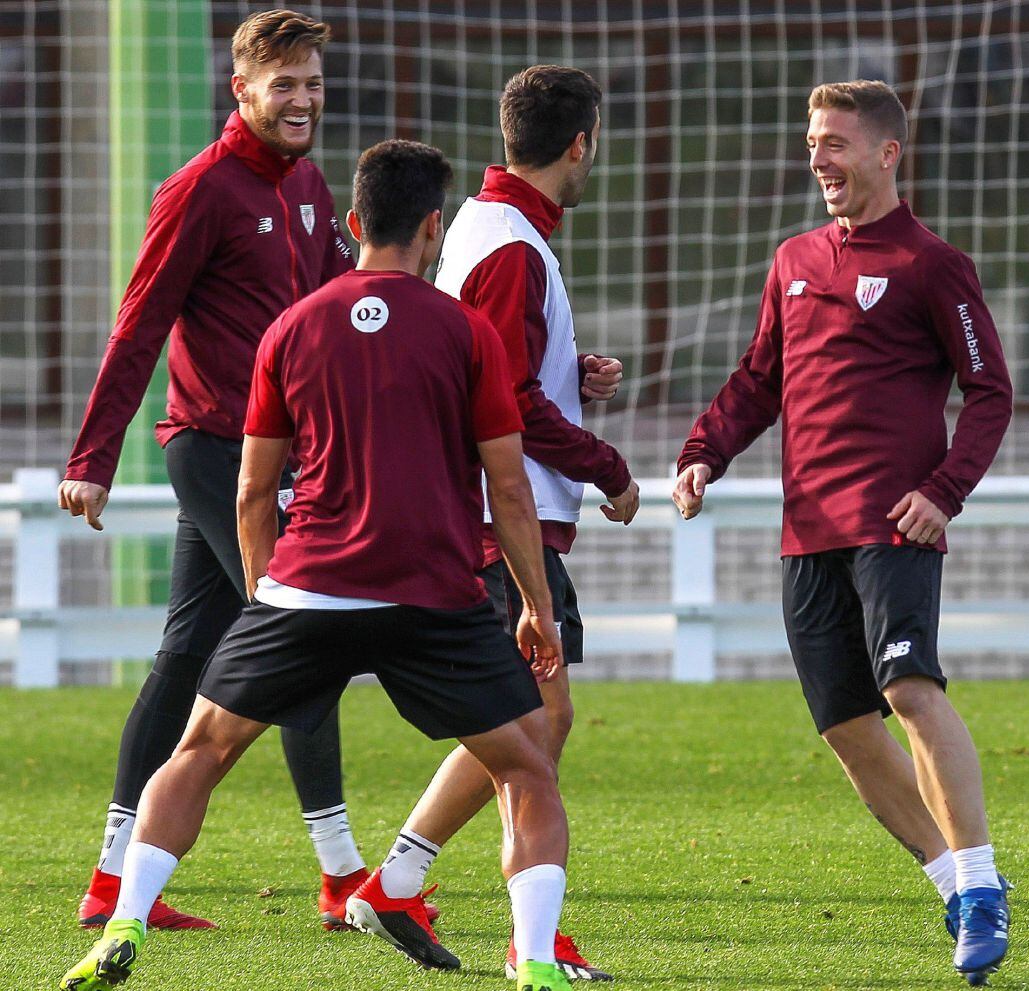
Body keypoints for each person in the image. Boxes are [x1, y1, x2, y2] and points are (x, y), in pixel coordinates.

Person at [62, 138, 580, 991]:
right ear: (432, 226)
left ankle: (124, 920)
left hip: (307, 588)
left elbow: (254, 489)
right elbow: (510, 488)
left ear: (350, 223)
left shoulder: (290, 329)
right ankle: (533, 962)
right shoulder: (466, 331)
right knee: (526, 764)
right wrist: (536, 605)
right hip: (433, 596)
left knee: (199, 751)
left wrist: (267, 590)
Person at [673, 79, 1013, 986]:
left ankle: (981, 885)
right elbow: (758, 379)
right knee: (846, 726)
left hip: (894, 522)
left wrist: (944, 490)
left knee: (908, 688)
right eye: (813, 140)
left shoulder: (932, 263)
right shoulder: (792, 259)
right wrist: (704, 450)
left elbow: (991, 391)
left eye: (836, 142)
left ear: (887, 153)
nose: (819, 157)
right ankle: (952, 883)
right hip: (805, 531)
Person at [56, 9, 371, 931]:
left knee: (189, 652)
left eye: (313, 82)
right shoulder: (199, 190)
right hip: (214, 449)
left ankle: (113, 881)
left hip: (279, 452)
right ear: (242, 90)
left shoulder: (309, 184)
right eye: (287, 85)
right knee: (306, 635)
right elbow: (139, 325)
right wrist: (92, 458)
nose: (304, 99)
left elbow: (341, 307)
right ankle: (341, 871)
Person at [375, 64, 637, 983]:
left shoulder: (494, 231)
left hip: (490, 515)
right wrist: (607, 465)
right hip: (497, 519)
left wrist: (576, 369)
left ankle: (399, 881)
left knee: (520, 729)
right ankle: (534, 938)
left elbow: (500, 367)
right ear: (582, 142)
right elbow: (510, 402)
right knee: (538, 727)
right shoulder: (515, 244)